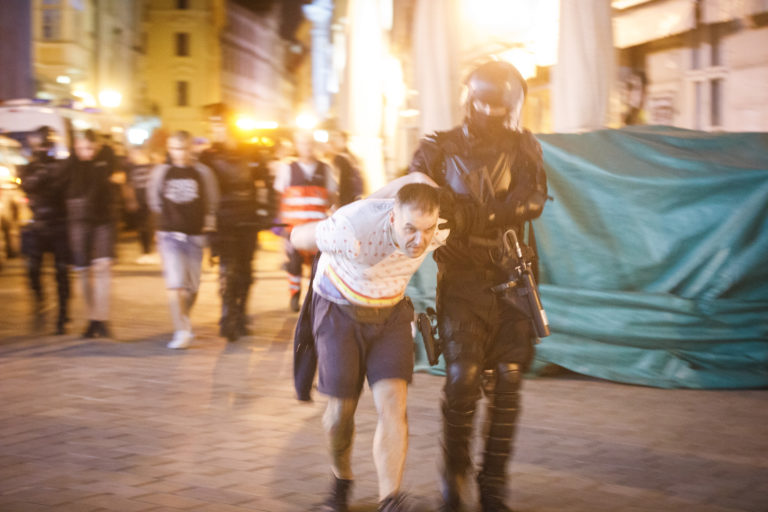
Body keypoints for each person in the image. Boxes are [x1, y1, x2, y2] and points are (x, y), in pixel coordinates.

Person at [408, 60, 549, 512]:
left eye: (498, 105)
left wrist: (481, 216)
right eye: (484, 102)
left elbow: (531, 199)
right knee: (462, 375)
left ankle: (493, 485)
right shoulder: (437, 148)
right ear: (470, 99)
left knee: (508, 379)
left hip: (509, 274)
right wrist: (463, 214)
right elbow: (418, 197)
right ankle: (453, 472)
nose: (490, 112)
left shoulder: (524, 145)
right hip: (463, 277)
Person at [291, 174, 445, 512]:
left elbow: (421, 184)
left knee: (393, 405)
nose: (419, 240)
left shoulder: (436, 228)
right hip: (338, 310)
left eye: (427, 230)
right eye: (410, 229)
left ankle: (390, 500)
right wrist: (331, 220)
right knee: (339, 415)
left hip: (390, 313)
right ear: (392, 216)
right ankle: (341, 480)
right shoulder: (352, 228)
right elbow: (298, 235)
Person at [200, 105, 267, 341]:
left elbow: (262, 183)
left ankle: (241, 312)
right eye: (214, 125)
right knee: (228, 269)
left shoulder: (252, 152)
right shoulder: (207, 156)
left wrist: (264, 213)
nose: (217, 129)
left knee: (247, 272)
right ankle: (228, 312)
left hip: (247, 219)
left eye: (221, 124)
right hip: (223, 220)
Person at [147, 130, 219, 349]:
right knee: (176, 284)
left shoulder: (202, 173)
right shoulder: (162, 172)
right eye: (176, 148)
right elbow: (154, 199)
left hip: (195, 236)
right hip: (170, 234)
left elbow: (211, 200)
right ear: (170, 149)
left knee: (192, 287)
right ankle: (181, 330)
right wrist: (164, 222)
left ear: (191, 148)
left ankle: (184, 320)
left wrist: (208, 224)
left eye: (184, 148)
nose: (180, 153)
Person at [274, 131, 337, 312]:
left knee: (317, 265)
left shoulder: (325, 170)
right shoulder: (287, 169)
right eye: (302, 143)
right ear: (297, 145)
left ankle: (313, 297)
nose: (307, 147)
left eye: (309, 143)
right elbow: (279, 197)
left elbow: (333, 197)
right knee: (294, 263)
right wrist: (280, 226)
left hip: (318, 229)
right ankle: (294, 295)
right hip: (294, 229)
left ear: (314, 145)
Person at [66, 130, 117, 338]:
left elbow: (117, 178)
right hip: (78, 222)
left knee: (103, 267)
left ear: (95, 146)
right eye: (80, 148)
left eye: (89, 148)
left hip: (103, 220)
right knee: (83, 271)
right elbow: (58, 184)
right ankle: (92, 318)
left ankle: (101, 318)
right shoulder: (71, 164)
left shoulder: (106, 159)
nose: (85, 152)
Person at [19, 126, 70, 334]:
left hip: (58, 225)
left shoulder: (60, 167)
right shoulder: (30, 167)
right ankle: (40, 300)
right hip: (38, 225)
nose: (45, 149)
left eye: (48, 144)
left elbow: (63, 187)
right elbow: (28, 185)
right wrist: (42, 168)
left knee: (61, 271)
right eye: (43, 144)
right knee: (32, 270)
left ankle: (63, 314)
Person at [328, 130, 364, 206]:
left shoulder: (339, 158)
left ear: (344, 141)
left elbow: (336, 183)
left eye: (336, 140)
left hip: (344, 200)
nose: (333, 143)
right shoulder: (353, 157)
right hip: (356, 199)